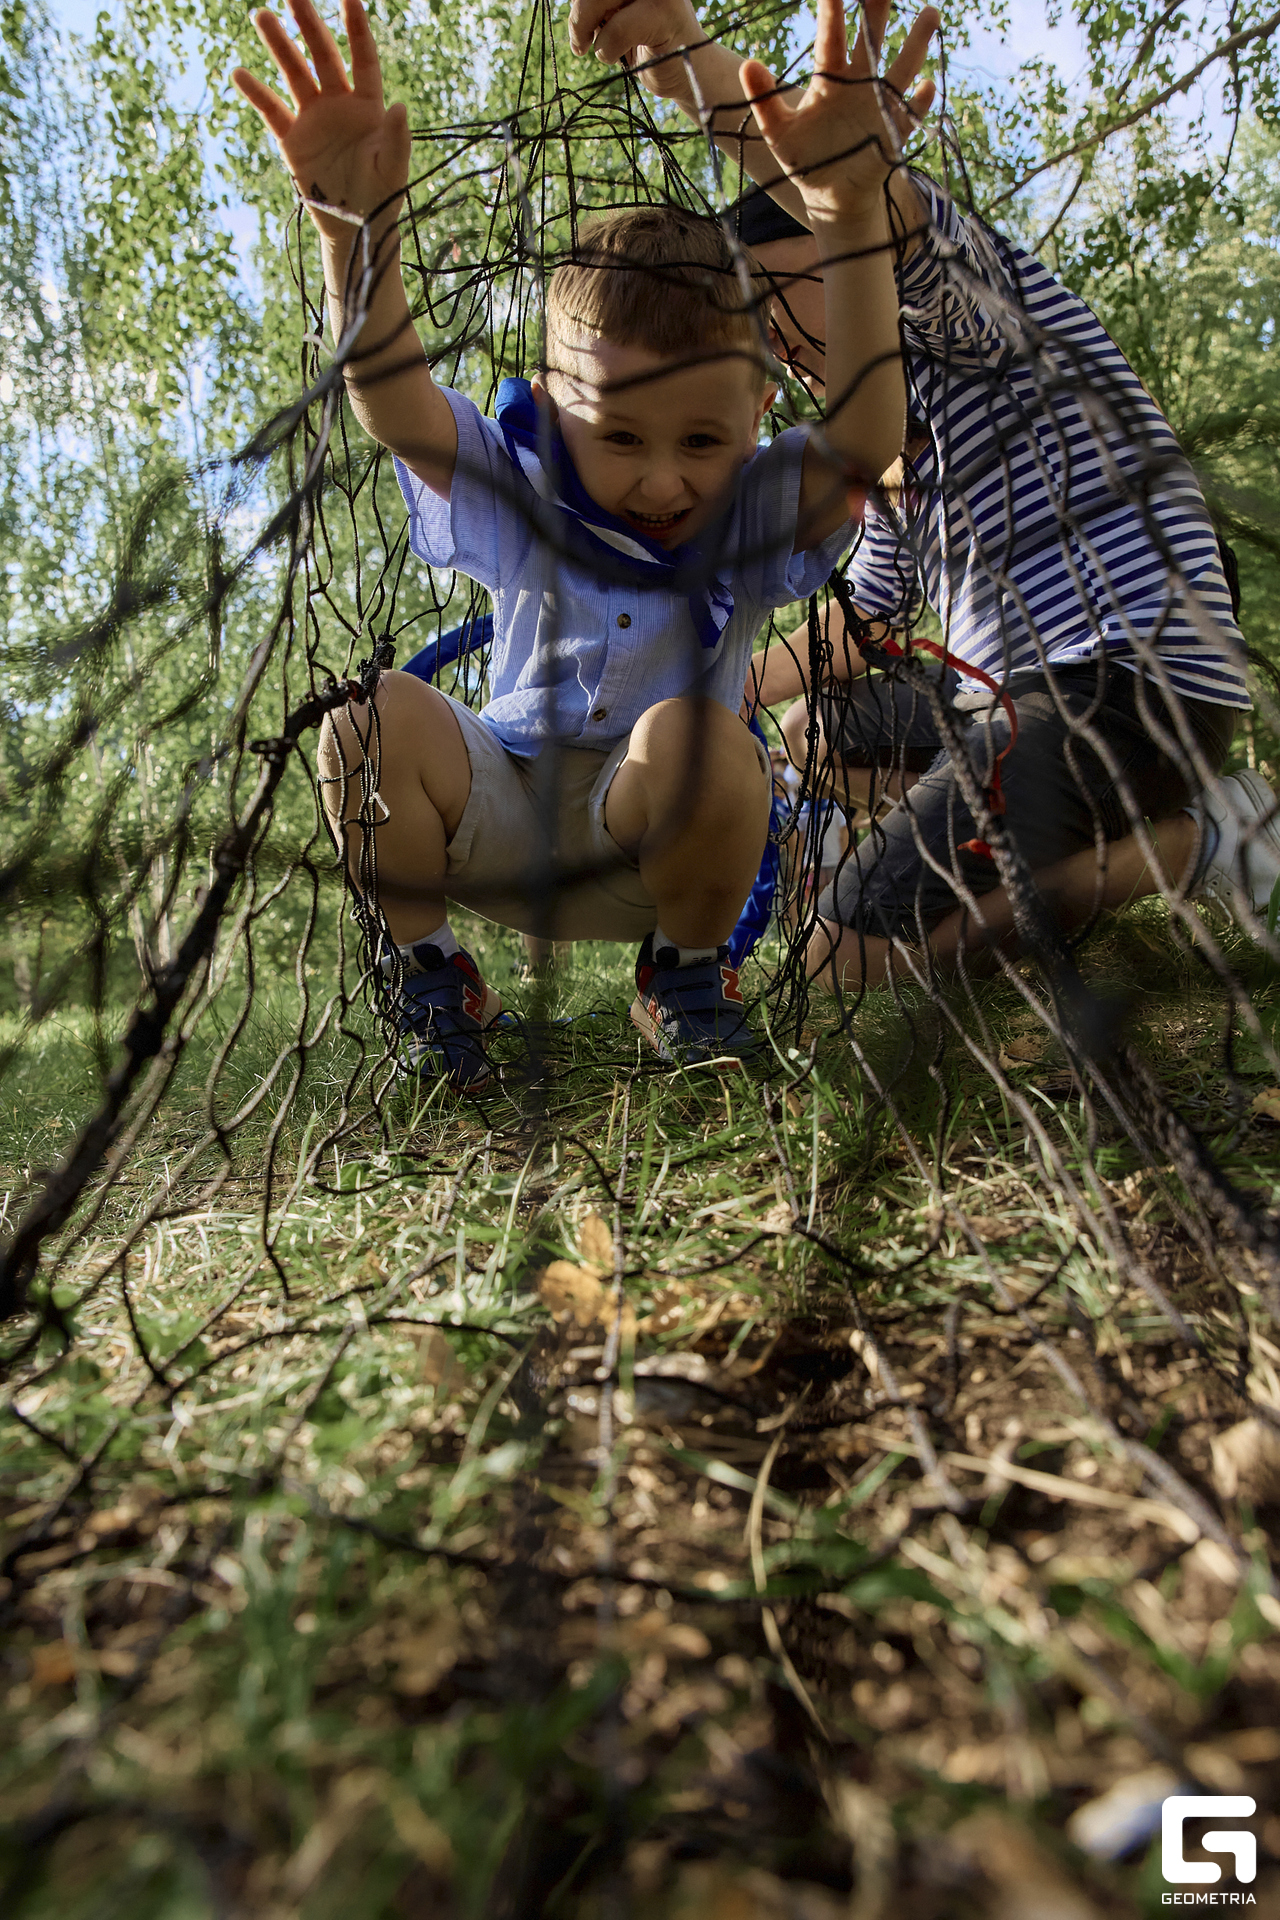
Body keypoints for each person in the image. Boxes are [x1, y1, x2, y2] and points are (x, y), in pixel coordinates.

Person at [233, 0, 927, 1086]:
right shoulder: (524, 489)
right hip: (498, 820)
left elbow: (866, 437)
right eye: (619, 438)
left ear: (756, 416)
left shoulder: (746, 512)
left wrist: (847, 222)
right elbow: (400, 408)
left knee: (701, 732)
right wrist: (357, 247)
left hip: (655, 847)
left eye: (702, 439)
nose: (661, 479)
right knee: (365, 717)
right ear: (556, 411)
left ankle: (684, 979)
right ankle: (434, 974)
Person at [572, 0, 1280, 989]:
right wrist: (711, 688)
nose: (771, 344)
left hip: (1127, 683)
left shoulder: (971, 318)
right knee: (803, 732)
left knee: (833, 962)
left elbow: (862, 196)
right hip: (1007, 698)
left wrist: (690, 69)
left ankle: (1206, 843)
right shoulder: (890, 447)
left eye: (774, 302)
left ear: (835, 258)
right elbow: (861, 623)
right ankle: (978, 861)